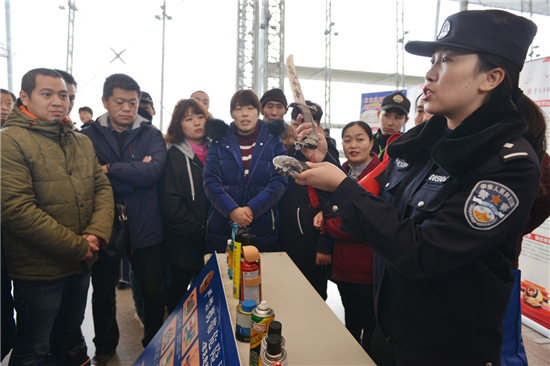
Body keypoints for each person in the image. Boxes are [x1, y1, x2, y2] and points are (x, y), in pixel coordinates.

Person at [293, 10, 544, 365]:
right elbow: (378, 206)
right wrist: (329, 163)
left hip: (445, 353)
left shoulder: (508, 166)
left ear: (491, 77)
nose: (429, 73)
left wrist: (342, 187)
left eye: (447, 60)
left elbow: (422, 252)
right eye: (432, 60)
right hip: (390, 334)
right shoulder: (420, 145)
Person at [1, 68, 114, 366]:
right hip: (39, 272)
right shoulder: (9, 142)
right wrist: (79, 246)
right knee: (33, 349)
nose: (57, 102)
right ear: (24, 97)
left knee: (68, 337)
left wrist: (96, 234)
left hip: (80, 264)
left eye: (63, 95)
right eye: (47, 94)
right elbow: (16, 209)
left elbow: (102, 189)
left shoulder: (80, 141)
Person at [81, 73, 167, 364]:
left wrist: (110, 169)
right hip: (103, 223)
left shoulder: (151, 134)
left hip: (146, 224)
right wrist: (133, 173)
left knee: (152, 290)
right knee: (103, 291)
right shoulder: (88, 136)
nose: (127, 109)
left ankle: (154, 341)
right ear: (105, 101)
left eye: (132, 102)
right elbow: (89, 179)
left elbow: (154, 172)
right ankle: (105, 345)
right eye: (120, 102)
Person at [313, 121, 381, 354]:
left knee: (371, 327)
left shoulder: (381, 174)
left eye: (360, 139)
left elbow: (367, 225)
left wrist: (328, 224)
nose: (353, 145)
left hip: (368, 269)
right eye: (347, 139)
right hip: (343, 266)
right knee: (350, 322)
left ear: (372, 143)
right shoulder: (338, 172)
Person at [203, 90, 288, 253]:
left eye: (249, 108)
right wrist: (232, 211)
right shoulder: (219, 141)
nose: (244, 114)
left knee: (262, 276)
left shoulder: (274, 142)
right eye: (238, 109)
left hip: (263, 228)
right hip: (223, 228)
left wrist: (250, 210)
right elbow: (210, 181)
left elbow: (279, 182)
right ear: (231, 113)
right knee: (225, 275)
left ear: (258, 112)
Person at [159, 99, 212, 313]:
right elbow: (171, 204)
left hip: (213, 238)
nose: (196, 123)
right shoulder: (173, 155)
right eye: (188, 119)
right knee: (179, 293)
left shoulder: (217, 151)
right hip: (183, 240)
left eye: (200, 116)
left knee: (208, 292)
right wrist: (200, 229)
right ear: (179, 125)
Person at [371, 91, 410, 158]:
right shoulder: (367, 142)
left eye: (397, 118)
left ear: (405, 121)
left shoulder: (408, 146)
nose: (390, 123)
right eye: (386, 115)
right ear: (378, 115)